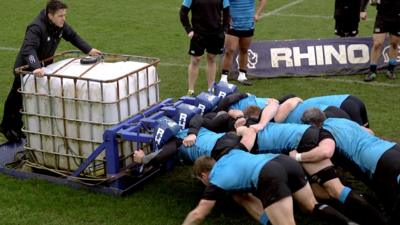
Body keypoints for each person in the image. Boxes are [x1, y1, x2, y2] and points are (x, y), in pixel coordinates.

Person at [238, 106, 387, 225]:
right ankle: (374, 215)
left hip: (302, 143)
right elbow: (275, 103)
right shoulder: (270, 123)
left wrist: (238, 124)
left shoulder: (248, 130)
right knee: (333, 191)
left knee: (315, 200)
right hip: (310, 135)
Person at [0, 0, 101, 142]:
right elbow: (28, 49)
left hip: (44, 68)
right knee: (17, 99)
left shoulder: (59, 25)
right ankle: (7, 127)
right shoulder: (36, 27)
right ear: (50, 15)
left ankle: (19, 127)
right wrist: (35, 68)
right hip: (26, 69)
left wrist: (89, 50)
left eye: (64, 15)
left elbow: (73, 36)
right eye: (60, 16)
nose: (63, 19)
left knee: (32, 100)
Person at [183, 150, 356, 224]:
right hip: (284, 161)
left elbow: (199, 213)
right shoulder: (230, 155)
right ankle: (349, 222)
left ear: (204, 175)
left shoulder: (216, 181)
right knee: (311, 206)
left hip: (269, 174)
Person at [301, 107, 400, 225]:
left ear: (311, 125)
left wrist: (298, 157)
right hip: (391, 147)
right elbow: (369, 132)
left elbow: (324, 154)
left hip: (379, 160)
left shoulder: (321, 136)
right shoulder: (339, 121)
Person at [179, 0, 230, 96]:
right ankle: (191, 90)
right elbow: (183, 12)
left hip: (215, 34)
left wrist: (225, 30)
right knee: (195, 60)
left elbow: (227, 13)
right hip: (198, 34)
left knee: (211, 58)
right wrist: (189, 30)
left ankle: (211, 89)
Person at [219, 0, 267, 86]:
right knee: (229, 51)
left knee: (244, 50)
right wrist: (225, 17)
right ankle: (224, 78)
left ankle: (242, 75)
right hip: (232, 25)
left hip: (248, 24)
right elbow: (221, 2)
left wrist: (257, 14)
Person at [364, 0, 400, 81]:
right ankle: (372, 71)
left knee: (394, 44)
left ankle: (390, 70)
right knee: (377, 43)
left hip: (397, 17)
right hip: (382, 17)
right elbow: (372, 1)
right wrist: (364, 9)